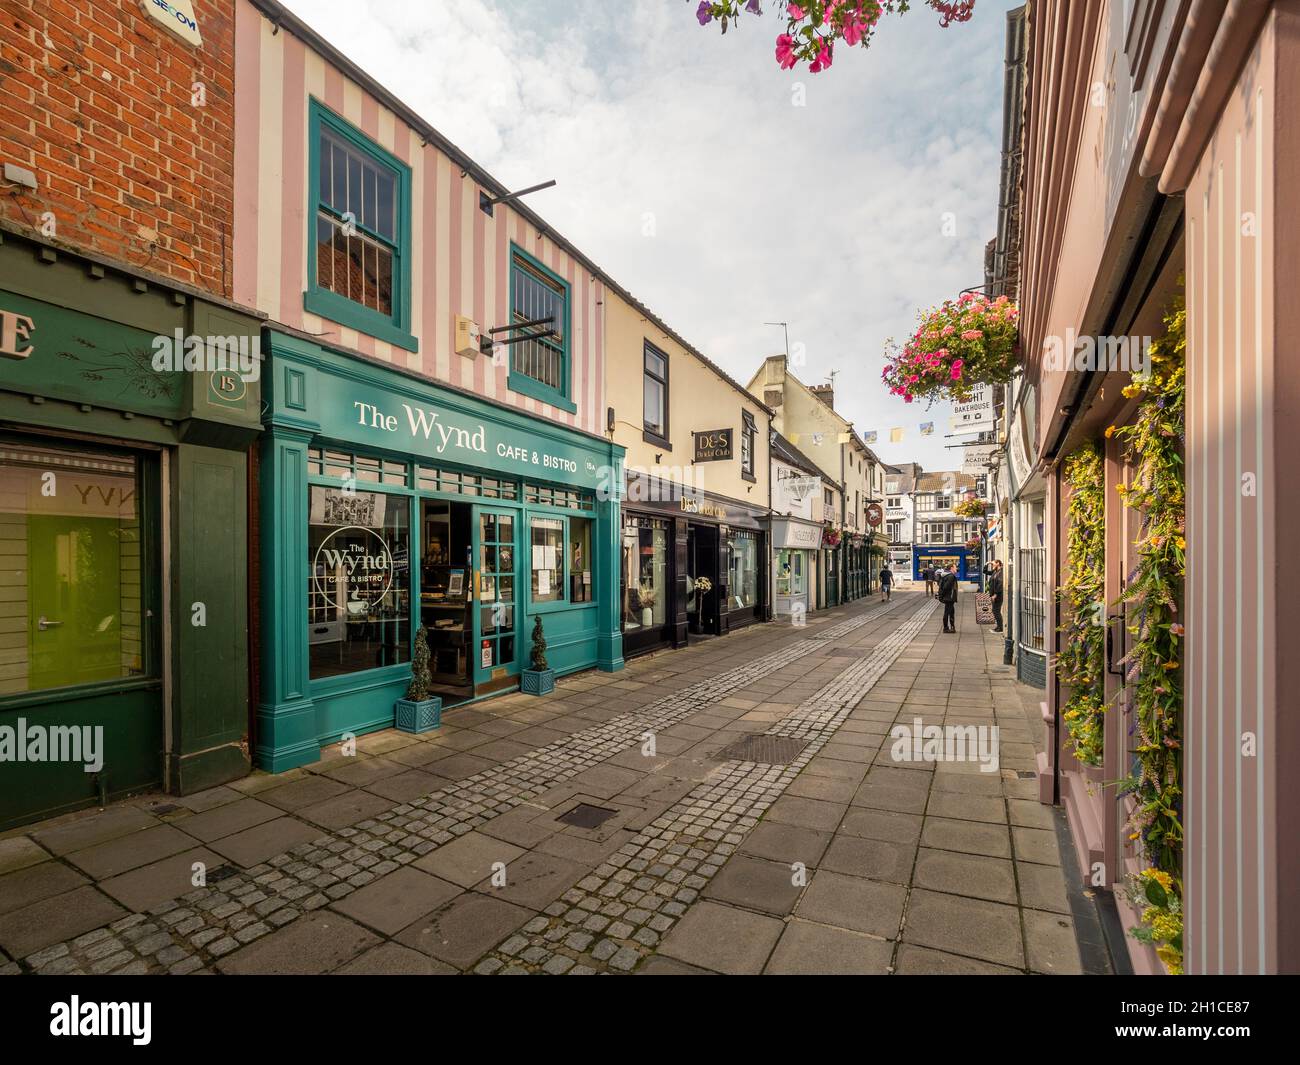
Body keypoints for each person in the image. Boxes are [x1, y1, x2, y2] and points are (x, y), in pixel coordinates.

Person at [938, 564, 958, 633]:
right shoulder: (951, 576)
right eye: (955, 567)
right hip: (949, 597)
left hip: (948, 597)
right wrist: (941, 596)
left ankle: (952, 627)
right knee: (947, 612)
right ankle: (946, 628)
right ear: (951, 568)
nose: (956, 569)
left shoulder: (946, 575)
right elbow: (946, 587)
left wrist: (941, 596)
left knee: (951, 612)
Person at [989, 559, 1005, 632]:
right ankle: (998, 626)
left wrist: (996, 594)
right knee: (995, 610)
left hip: (998, 595)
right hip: (993, 595)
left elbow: (1000, 584)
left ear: (998, 563)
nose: (992, 565)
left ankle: (1000, 627)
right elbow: (985, 572)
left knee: (996, 611)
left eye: (993, 564)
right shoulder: (995, 572)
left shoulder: (1001, 572)